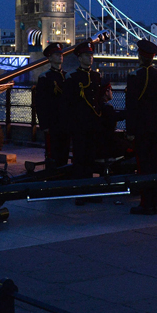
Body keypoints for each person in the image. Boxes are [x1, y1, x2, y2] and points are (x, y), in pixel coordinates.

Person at [126, 39, 157, 215]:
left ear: (140, 56)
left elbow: (131, 106)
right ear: (152, 58)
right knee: (156, 166)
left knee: (144, 167)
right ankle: (156, 203)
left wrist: (130, 131)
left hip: (141, 129)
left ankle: (146, 204)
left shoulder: (134, 76)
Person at [64, 42, 104, 202]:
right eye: (87, 55)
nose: (90, 58)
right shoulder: (72, 77)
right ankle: (80, 193)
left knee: (91, 158)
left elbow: (98, 100)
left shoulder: (95, 76)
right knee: (79, 159)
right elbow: (67, 103)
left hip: (93, 123)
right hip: (79, 124)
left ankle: (91, 191)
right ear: (80, 58)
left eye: (91, 55)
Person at [34, 42, 70, 169]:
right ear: (49, 58)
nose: (60, 56)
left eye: (61, 54)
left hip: (66, 122)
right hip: (53, 123)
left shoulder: (67, 76)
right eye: (56, 54)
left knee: (65, 153)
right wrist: (44, 124)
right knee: (52, 154)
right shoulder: (45, 77)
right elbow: (41, 103)